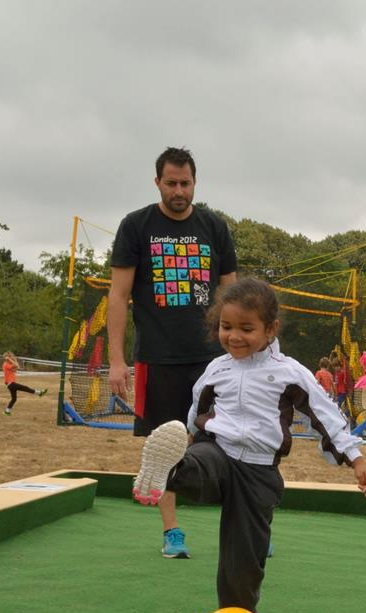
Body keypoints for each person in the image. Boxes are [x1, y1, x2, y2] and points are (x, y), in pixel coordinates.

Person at [131, 278, 366, 613]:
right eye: (226, 326)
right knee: (199, 462)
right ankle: (171, 468)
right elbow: (198, 409)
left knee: (244, 557)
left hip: (258, 471)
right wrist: (187, 436)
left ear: (270, 329)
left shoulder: (289, 372)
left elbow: (323, 413)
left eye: (246, 328)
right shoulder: (216, 369)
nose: (233, 336)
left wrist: (355, 458)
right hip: (217, 450)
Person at [108, 146, 237, 559]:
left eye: (185, 183)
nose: (179, 190)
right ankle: (172, 532)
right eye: (171, 183)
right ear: (158, 182)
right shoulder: (136, 226)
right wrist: (116, 360)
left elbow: (232, 297)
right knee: (163, 448)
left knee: (230, 442)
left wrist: (241, 354)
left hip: (213, 361)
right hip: (157, 359)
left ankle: (241, 530)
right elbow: (118, 294)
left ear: (195, 182)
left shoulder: (215, 227)